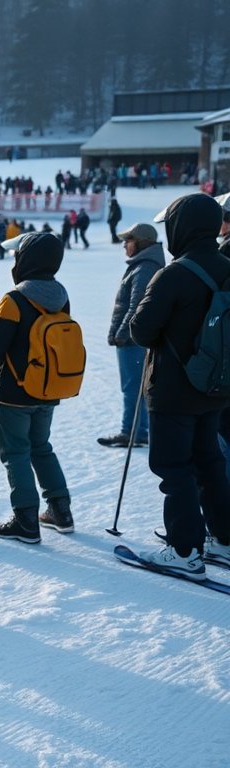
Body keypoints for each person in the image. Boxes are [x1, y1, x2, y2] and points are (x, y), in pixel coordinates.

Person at [129, 193, 230, 575]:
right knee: (209, 462)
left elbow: (141, 330)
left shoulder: (173, 274)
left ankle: (185, 550)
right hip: (216, 385)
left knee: (174, 466)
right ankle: (223, 539)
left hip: (174, 388)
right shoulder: (227, 265)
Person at [0, 233, 73, 544]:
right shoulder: (61, 297)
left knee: (16, 452)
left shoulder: (14, 300)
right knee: (41, 447)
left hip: (15, 392)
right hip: (49, 389)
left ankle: (25, 518)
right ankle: (60, 509)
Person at [99, 223, 164, 448]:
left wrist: (122, 332)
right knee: (135, 386)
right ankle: (138, 430)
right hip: (132, 337)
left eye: (128, 241)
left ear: (141, 242)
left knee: (133, 387)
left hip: (133, 339)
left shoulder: (145, 267)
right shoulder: (141, 265)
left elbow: (137, 305)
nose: (124, 245)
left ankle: (133, 432)